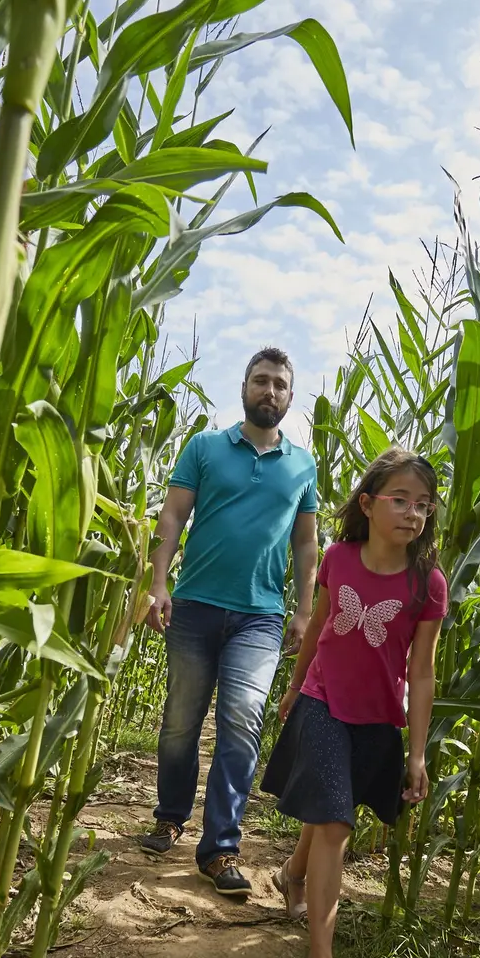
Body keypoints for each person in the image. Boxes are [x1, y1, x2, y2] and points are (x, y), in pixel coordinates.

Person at [261, 449, 445, 958]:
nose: (413, 513)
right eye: (401, 500)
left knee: (329, 810)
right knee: (336, 822)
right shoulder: (338, 558)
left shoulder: (426, 583)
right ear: (367, 504)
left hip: (377, 717)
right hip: (323, 701)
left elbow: (421, 672)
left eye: (423, 504)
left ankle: (293, 874)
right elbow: (319, 626)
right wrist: (295, 687)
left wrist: (417, 754)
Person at [141, 348, 319, 898]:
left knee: (242, 720)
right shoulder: (204, 447)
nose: (270, 391)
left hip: (260, 616)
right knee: (180, 721)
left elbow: (306, 542)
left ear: (290, 397)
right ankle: (170, 817)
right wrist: (158, 583)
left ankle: (220, 847)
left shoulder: (303, 465)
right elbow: (173, 515)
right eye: (260, 381)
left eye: (280, 385)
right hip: (194, 605)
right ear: (244, 388)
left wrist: (305, 609)